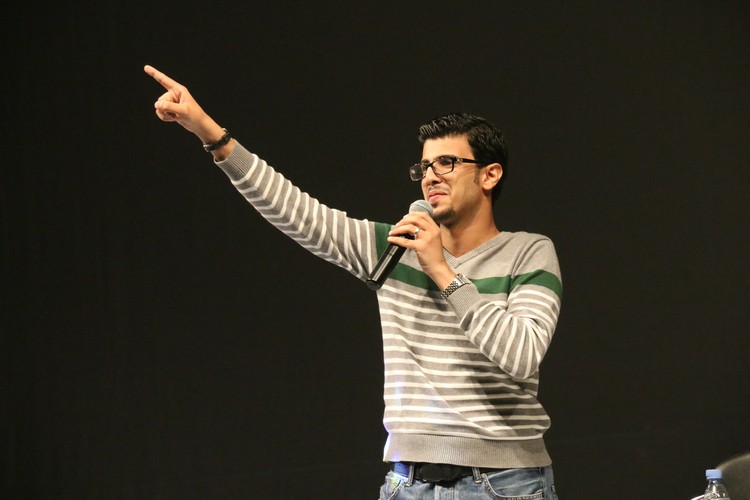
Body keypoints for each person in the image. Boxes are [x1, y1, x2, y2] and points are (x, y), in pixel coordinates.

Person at [144, 64, 562, 499]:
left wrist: (441, 269)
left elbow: (520, 356)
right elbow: (295, 210)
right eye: (424, 166)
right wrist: (209, 132)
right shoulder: (393, 247)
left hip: (504, 483)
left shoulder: (528, 252)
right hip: (409, 484)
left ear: (490, 174)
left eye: (447, 162)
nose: (431, 176)